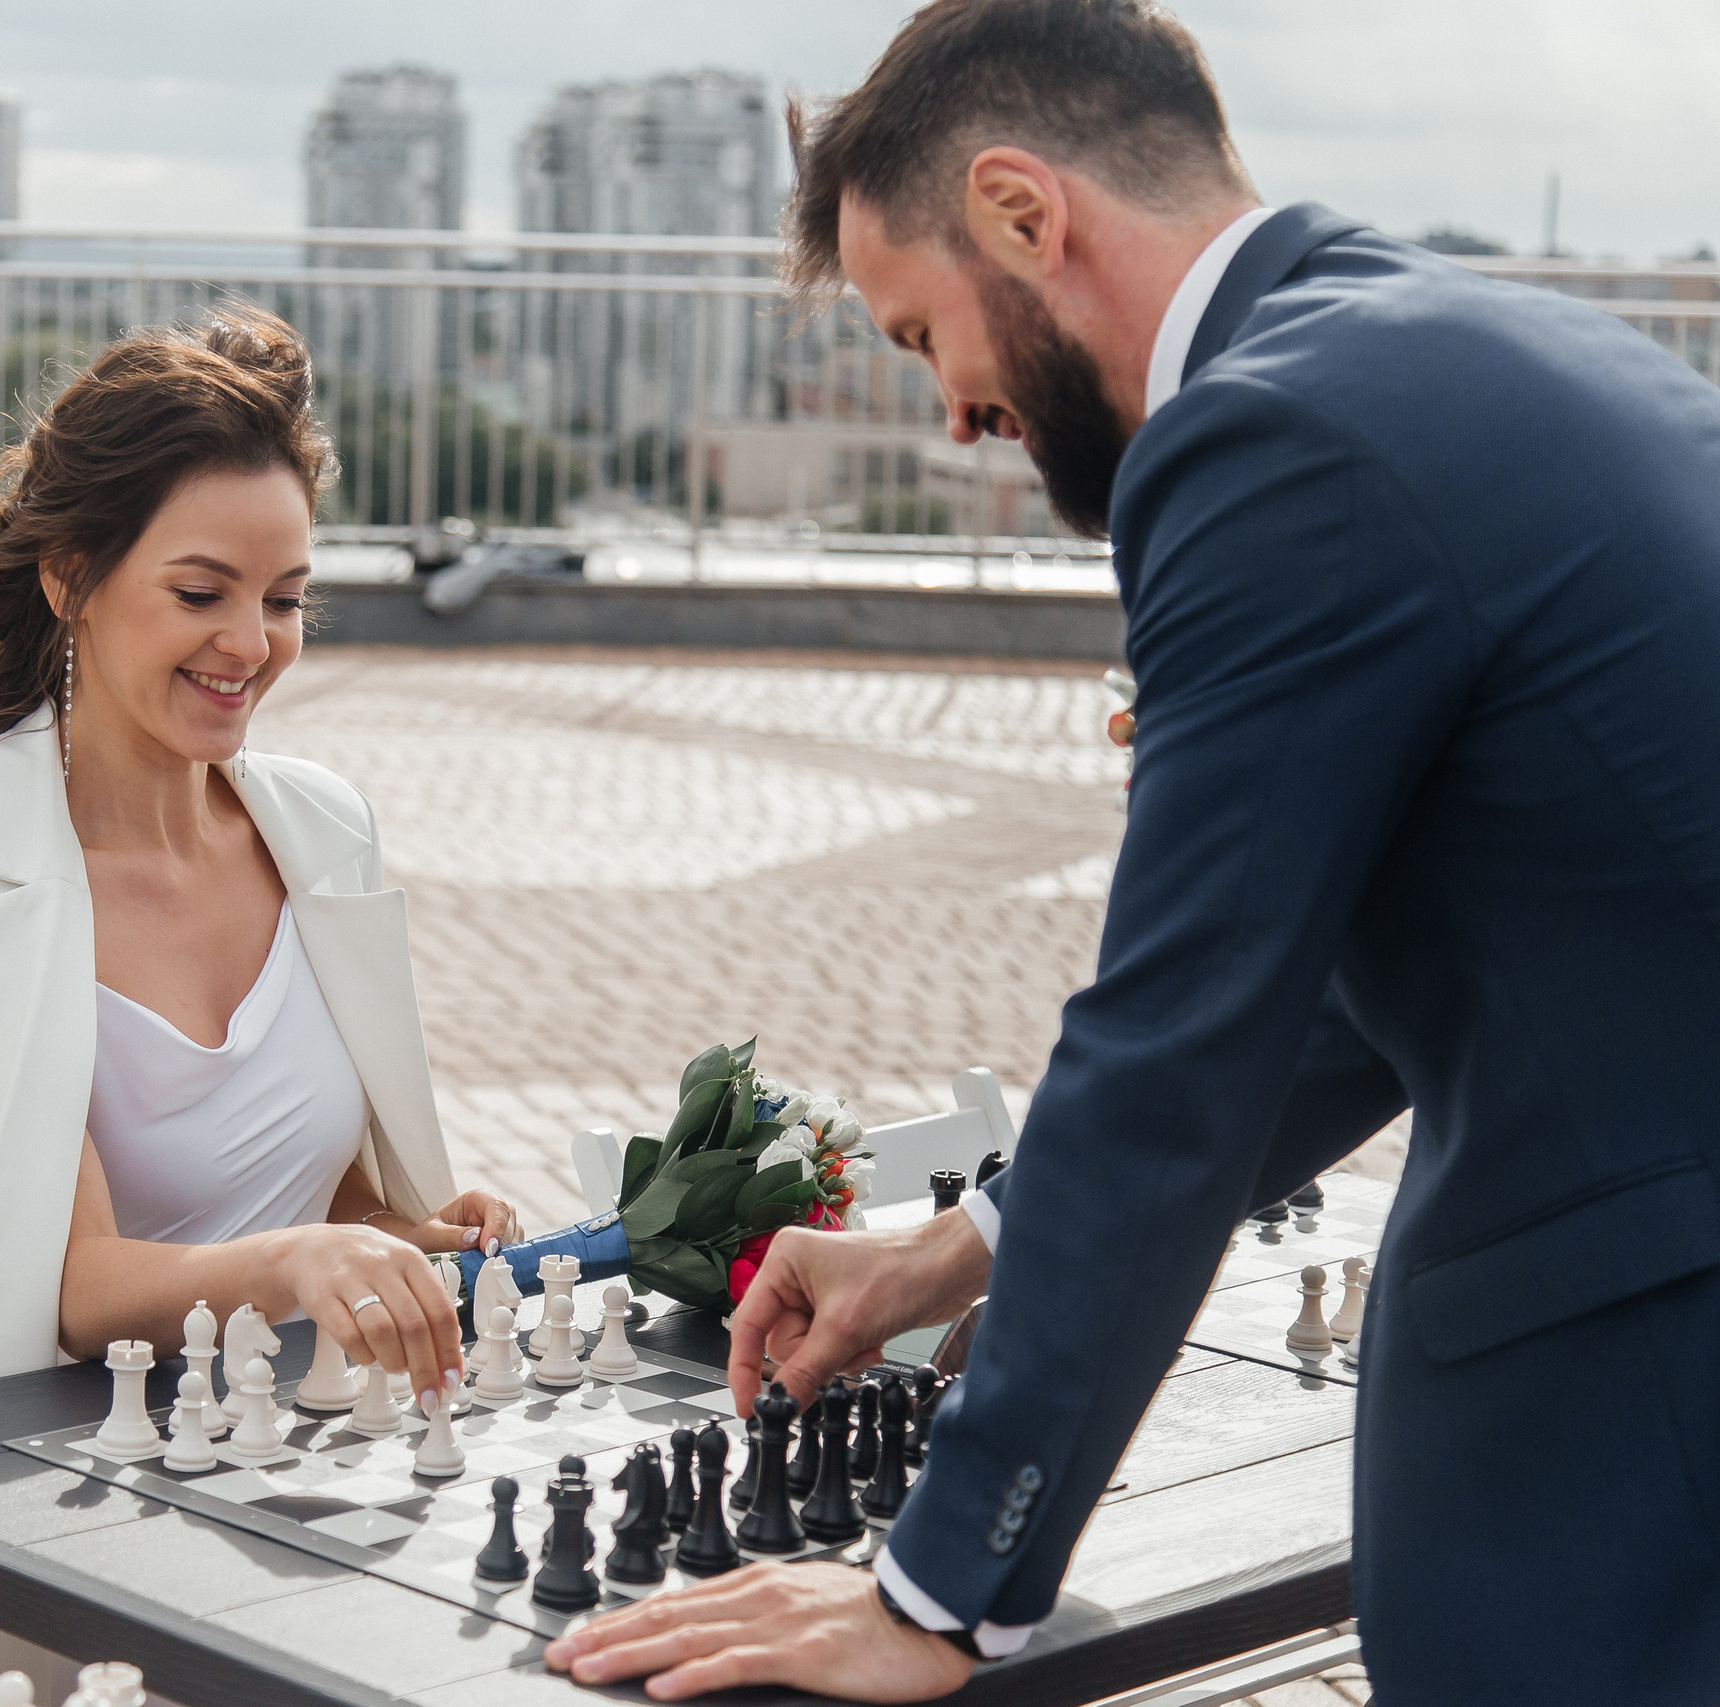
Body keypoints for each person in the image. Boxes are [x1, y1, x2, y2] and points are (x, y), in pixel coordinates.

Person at [547, 1, 1720, 1702]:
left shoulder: (1269, 441)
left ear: (1027, 214)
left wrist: (937, 1592)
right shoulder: (1488, 348)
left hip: (1640, 1387)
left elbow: (1183, 1036)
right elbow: (1349, 996)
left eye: (918, 331)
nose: (949, 412)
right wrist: (968, 1246)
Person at [0, 308, 521, 1688]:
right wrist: (303, 1264)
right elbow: (71, 1291)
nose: (251, 643)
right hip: (93, 1507)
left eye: (287, 597)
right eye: (202, 594)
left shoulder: (324, 834)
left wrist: (410, 1235)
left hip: (325, 1459)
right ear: (73, 577)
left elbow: (319, 1198)